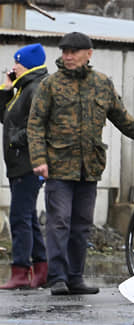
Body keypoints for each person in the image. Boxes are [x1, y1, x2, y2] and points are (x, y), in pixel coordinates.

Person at [28, 32, 134, 296]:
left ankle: (75, 277)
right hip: (58, 167)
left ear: (88, 53)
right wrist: (39, 160)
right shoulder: (50, 85)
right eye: (64, 52)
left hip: (90, 168)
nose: (68, 56)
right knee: (59, 222)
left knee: (81, 225)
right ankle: (57, 278)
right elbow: (35, 125)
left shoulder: (102, 84)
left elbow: (122, 118)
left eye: (73, 52)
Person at [0, 43, 48, 289]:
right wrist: (6, 89)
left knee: (20, 217)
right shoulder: (22, 89)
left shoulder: (36, 88)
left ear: (28, 64)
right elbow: (4, 117)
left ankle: (20, 272)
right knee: (27, 216)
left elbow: (36, 126)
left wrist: (14, 141)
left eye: (17, 62)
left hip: (29, 162)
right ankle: (41, 268)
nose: (13, 66)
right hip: (19, 162)